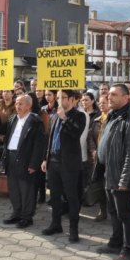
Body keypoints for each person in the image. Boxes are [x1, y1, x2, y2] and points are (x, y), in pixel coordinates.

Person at [96, 84, 130, 260]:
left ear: (126, 98)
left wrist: (125, 180)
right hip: (109, 172)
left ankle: (129, 251)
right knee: (113, 212)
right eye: (108, 94)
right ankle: (116, 242)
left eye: (114, 95)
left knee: (125, 215)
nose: (109, 97)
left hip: (121, 176)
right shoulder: (113, 114)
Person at [40, 90, 87, 243]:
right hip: (53, 162)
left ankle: (74, 230)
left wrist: (64, 118)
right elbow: (49, 138)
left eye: (63, 97)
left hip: (69, 164)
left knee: (72, 197)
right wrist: (45, 158)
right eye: (58, 97)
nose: (60, 100)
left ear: (72, 99)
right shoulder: (54, 116)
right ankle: (56, 224)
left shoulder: (79, 115)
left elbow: (75, 133)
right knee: (54, 196)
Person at [1, 95, 45, 229]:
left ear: (28, 105)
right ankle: (17, 213)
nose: (17, 106)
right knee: (13, 188)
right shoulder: (13, 118)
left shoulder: (35, 121)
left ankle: (27, 217)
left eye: (20, 104)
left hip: (26, 159)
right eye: (16, 104)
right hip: (11, 157)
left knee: (27, 190)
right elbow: (5, 137)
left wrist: (34, 164)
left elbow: (39, 145)